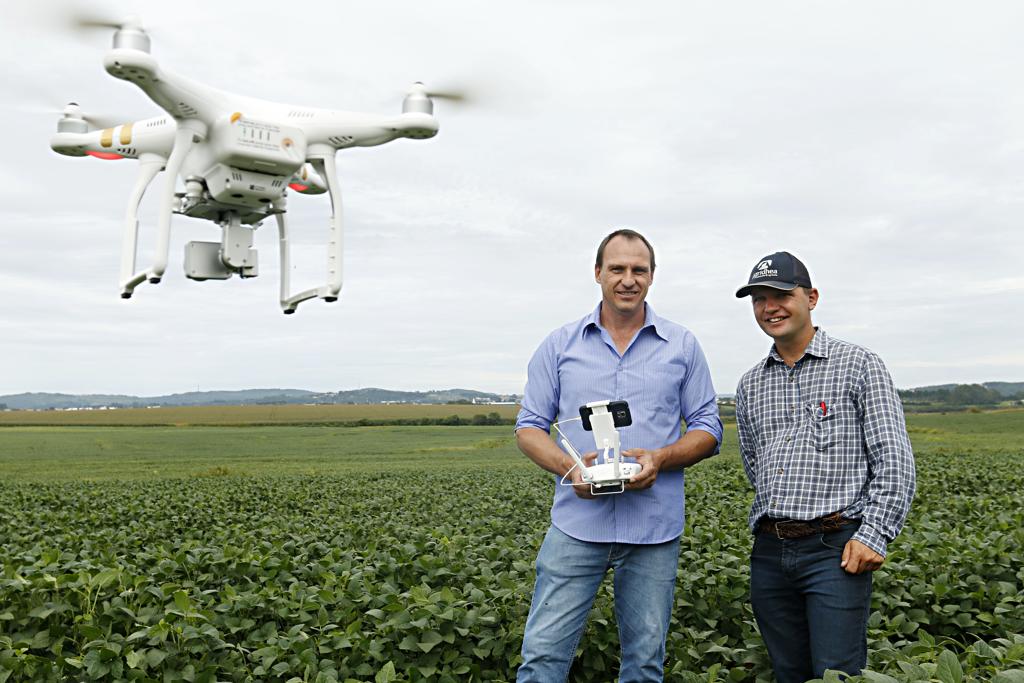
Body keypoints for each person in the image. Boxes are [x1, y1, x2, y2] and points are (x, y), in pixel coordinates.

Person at [514, 229, 723, 682]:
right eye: (617, 269)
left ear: (651, 277)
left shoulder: (682, 345)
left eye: (638, 270)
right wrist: (571, 468)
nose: (628, 279)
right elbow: (529, 426)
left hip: (653, 529)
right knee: (543, 658)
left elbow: (708, 427)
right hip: (577, 525)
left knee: (644, 664)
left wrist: (661, 458)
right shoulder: (560, 345)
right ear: (598, 273)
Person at [733, 251, 916, 681]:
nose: (769, 307)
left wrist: (874, 534)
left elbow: (894, 460)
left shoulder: (858, 365)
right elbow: (755, 465)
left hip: (834, 549)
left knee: (837, 673)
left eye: (781, 294)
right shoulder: (750, 383)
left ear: (811, 297)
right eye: (758, 298)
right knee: (789, 672)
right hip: (770, 551)